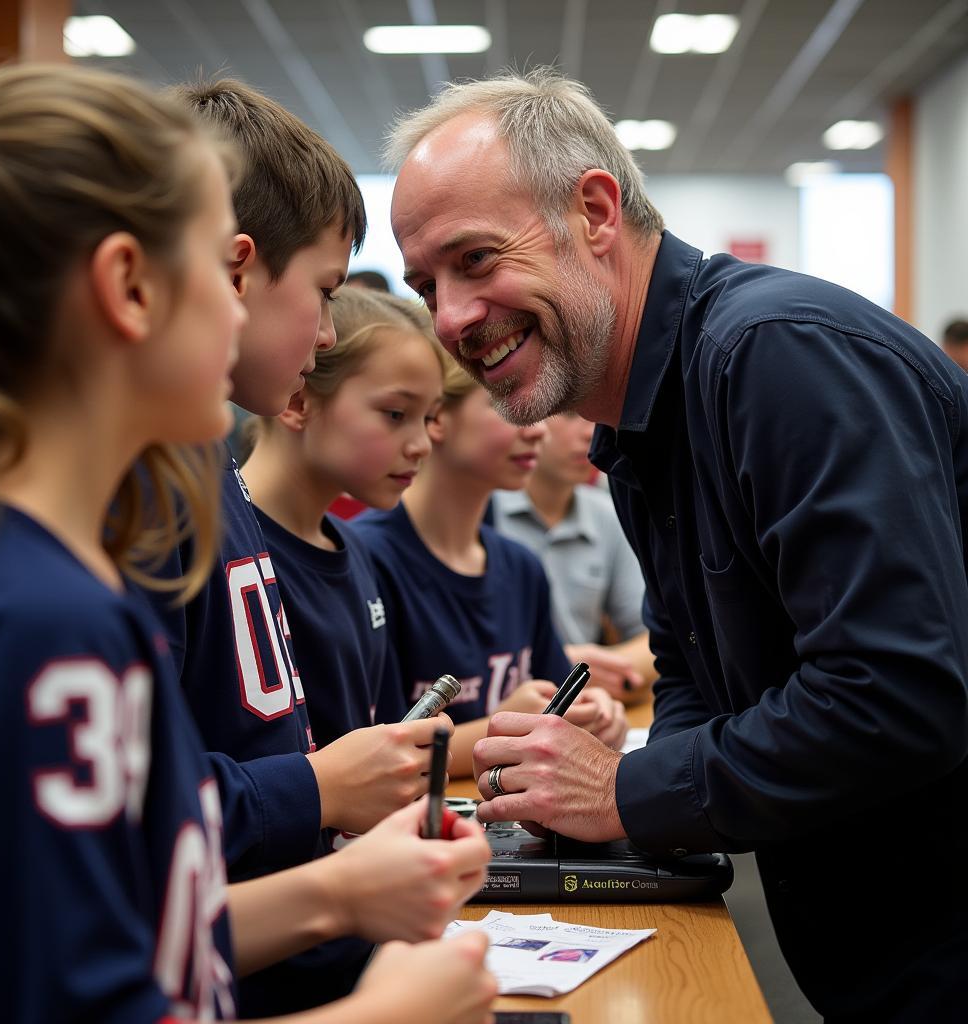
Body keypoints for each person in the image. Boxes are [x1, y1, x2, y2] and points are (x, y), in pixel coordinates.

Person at [386, 68, 968, 1020]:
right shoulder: (641, 431)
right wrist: (608, 799)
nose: (450, 316)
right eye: (426, 285)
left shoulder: (773, 355)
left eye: (477, 259)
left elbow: (898, 696)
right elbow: (694, 670)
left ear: (596, 210)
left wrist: (628, 789)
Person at [0, 62, 495, 1024]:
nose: (242, 310)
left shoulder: (57, 584)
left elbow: (142, 923)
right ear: (129, 287)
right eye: (219, 269)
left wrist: (340, 893)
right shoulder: (42, 615)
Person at [141, 78, 467, 1016]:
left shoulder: (210, 466)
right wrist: (320, 790)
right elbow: (139, 833)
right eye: (324, 291)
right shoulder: (133, 503)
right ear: (234, 270)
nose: (325, 331)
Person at [353, 347, 628, 777]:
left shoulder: (520, 566)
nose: (537, 432)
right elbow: (374, 753)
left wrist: (592, 713)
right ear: (437, 418)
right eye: (506, 404)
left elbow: (558, 699)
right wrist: (502, 729)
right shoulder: (367, 560)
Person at [240, 286, 446, 746]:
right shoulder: (230, 552)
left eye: (428, 417)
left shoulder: (355, 550)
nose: (422, 444)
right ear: (299, 403)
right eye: (396, 414)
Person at [492, 410, 656, 702]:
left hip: (580, 708)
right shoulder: (483, 513)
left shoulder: (607, 513)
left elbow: (652, 639)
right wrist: (561, 665)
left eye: (593, 416)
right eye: (570, 415)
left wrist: (581, 671)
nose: (590, 432)